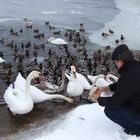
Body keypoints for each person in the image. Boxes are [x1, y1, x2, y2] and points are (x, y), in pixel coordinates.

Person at [92, 44, 140, 136]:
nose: (115, 65)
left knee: (110, 110)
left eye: (115, 62)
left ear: (120, 61)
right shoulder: (136, 67)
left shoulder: (128, 76)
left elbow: (114, 103)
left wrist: (98, 99)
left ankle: (137, 130)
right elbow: (126, 84)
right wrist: (108, 88)